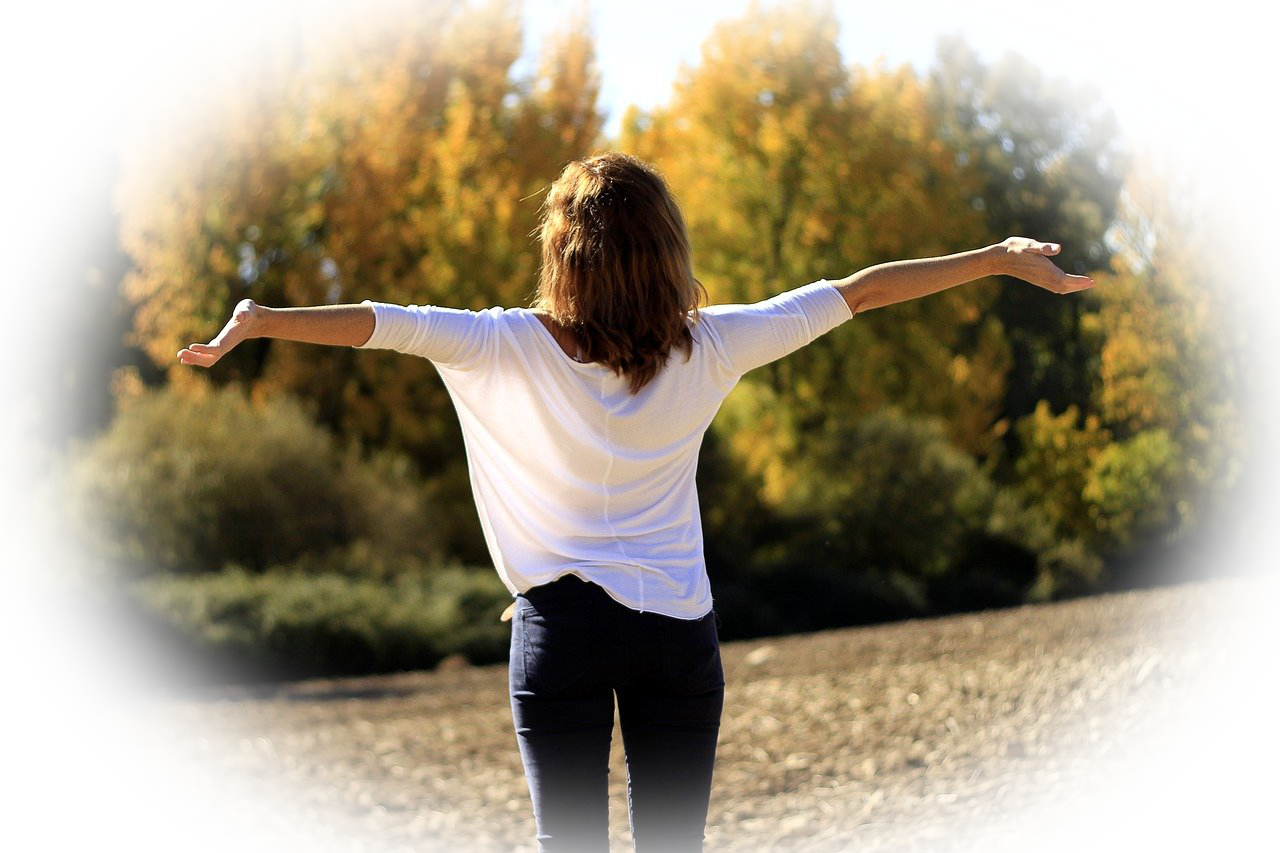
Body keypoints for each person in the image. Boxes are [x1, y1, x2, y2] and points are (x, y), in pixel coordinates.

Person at [177, 151, 1092, 851]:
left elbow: (381, 323)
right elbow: (860, 292)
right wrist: (996, 259)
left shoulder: (502, 344)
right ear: (667, 252)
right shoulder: (714, 345)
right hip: (678, 633)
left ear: (561, 254)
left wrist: (263, 322)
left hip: (561, 633)